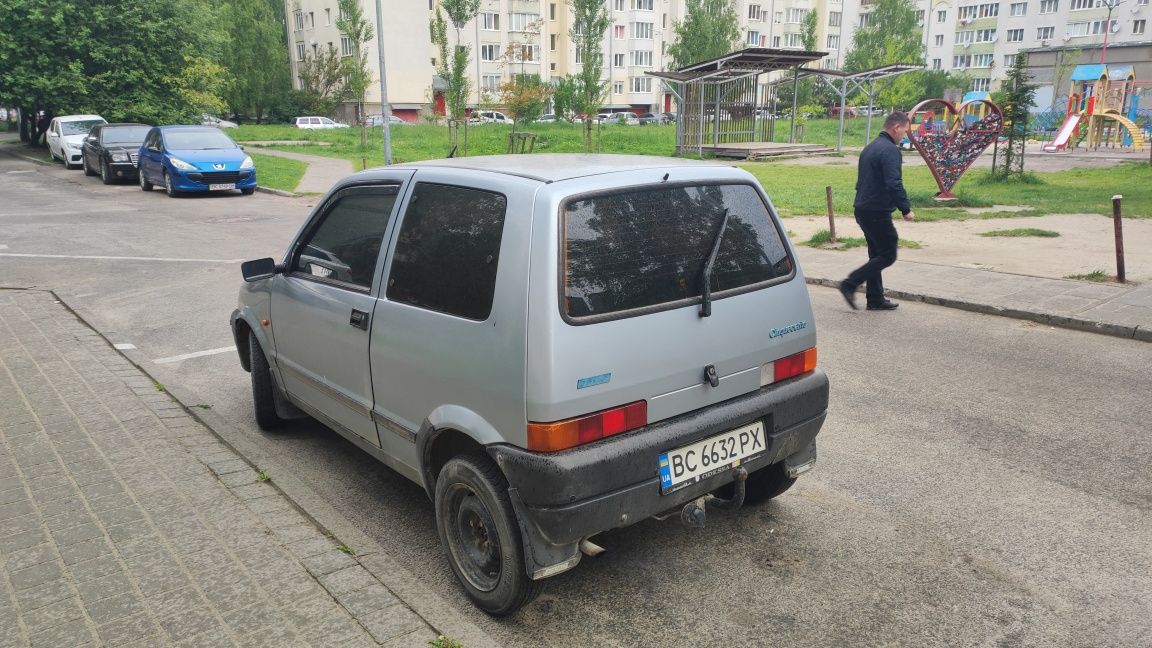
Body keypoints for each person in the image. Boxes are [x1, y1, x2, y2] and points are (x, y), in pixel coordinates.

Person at [839, 112, 916, 311]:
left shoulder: (870, 148)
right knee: (888, 254)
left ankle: (875, 299)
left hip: (862, 209)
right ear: (896, 128)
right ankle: (850, 283)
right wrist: (905, 209)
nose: (904, 136)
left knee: (876, 255)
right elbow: (893, 183)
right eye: (905, 131)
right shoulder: (890, 150)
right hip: (876, 211)